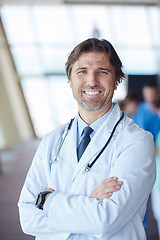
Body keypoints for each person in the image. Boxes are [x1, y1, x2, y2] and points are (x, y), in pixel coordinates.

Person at [18, 38, 156, 240]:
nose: (92, 81)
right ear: (70, 79)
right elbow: (27, 218)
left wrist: (48, 200)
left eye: (103, 71)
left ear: (117, 79)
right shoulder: (51, 140)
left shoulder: (137, 141)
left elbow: (105, 220)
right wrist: (89, 202)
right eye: (82, 71)